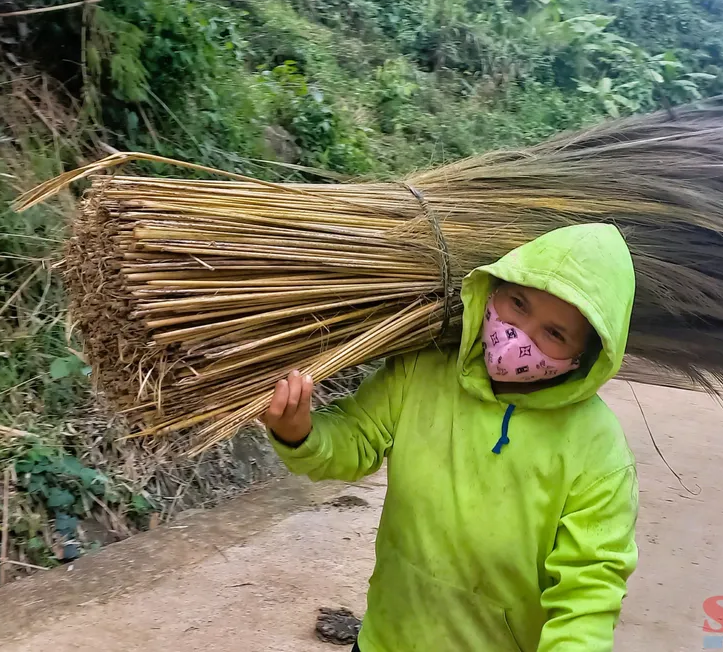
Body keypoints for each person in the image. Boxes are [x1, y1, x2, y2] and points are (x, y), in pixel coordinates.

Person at [264, 223, 639, 652]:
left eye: (554, 334)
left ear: (584, 358)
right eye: (518, 303)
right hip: (386, 641)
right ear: (493, 290)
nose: (519, 335)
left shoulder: (598, 452)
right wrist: (300, 433)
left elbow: (587, 597)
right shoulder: (422, 371)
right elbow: (355, 437)